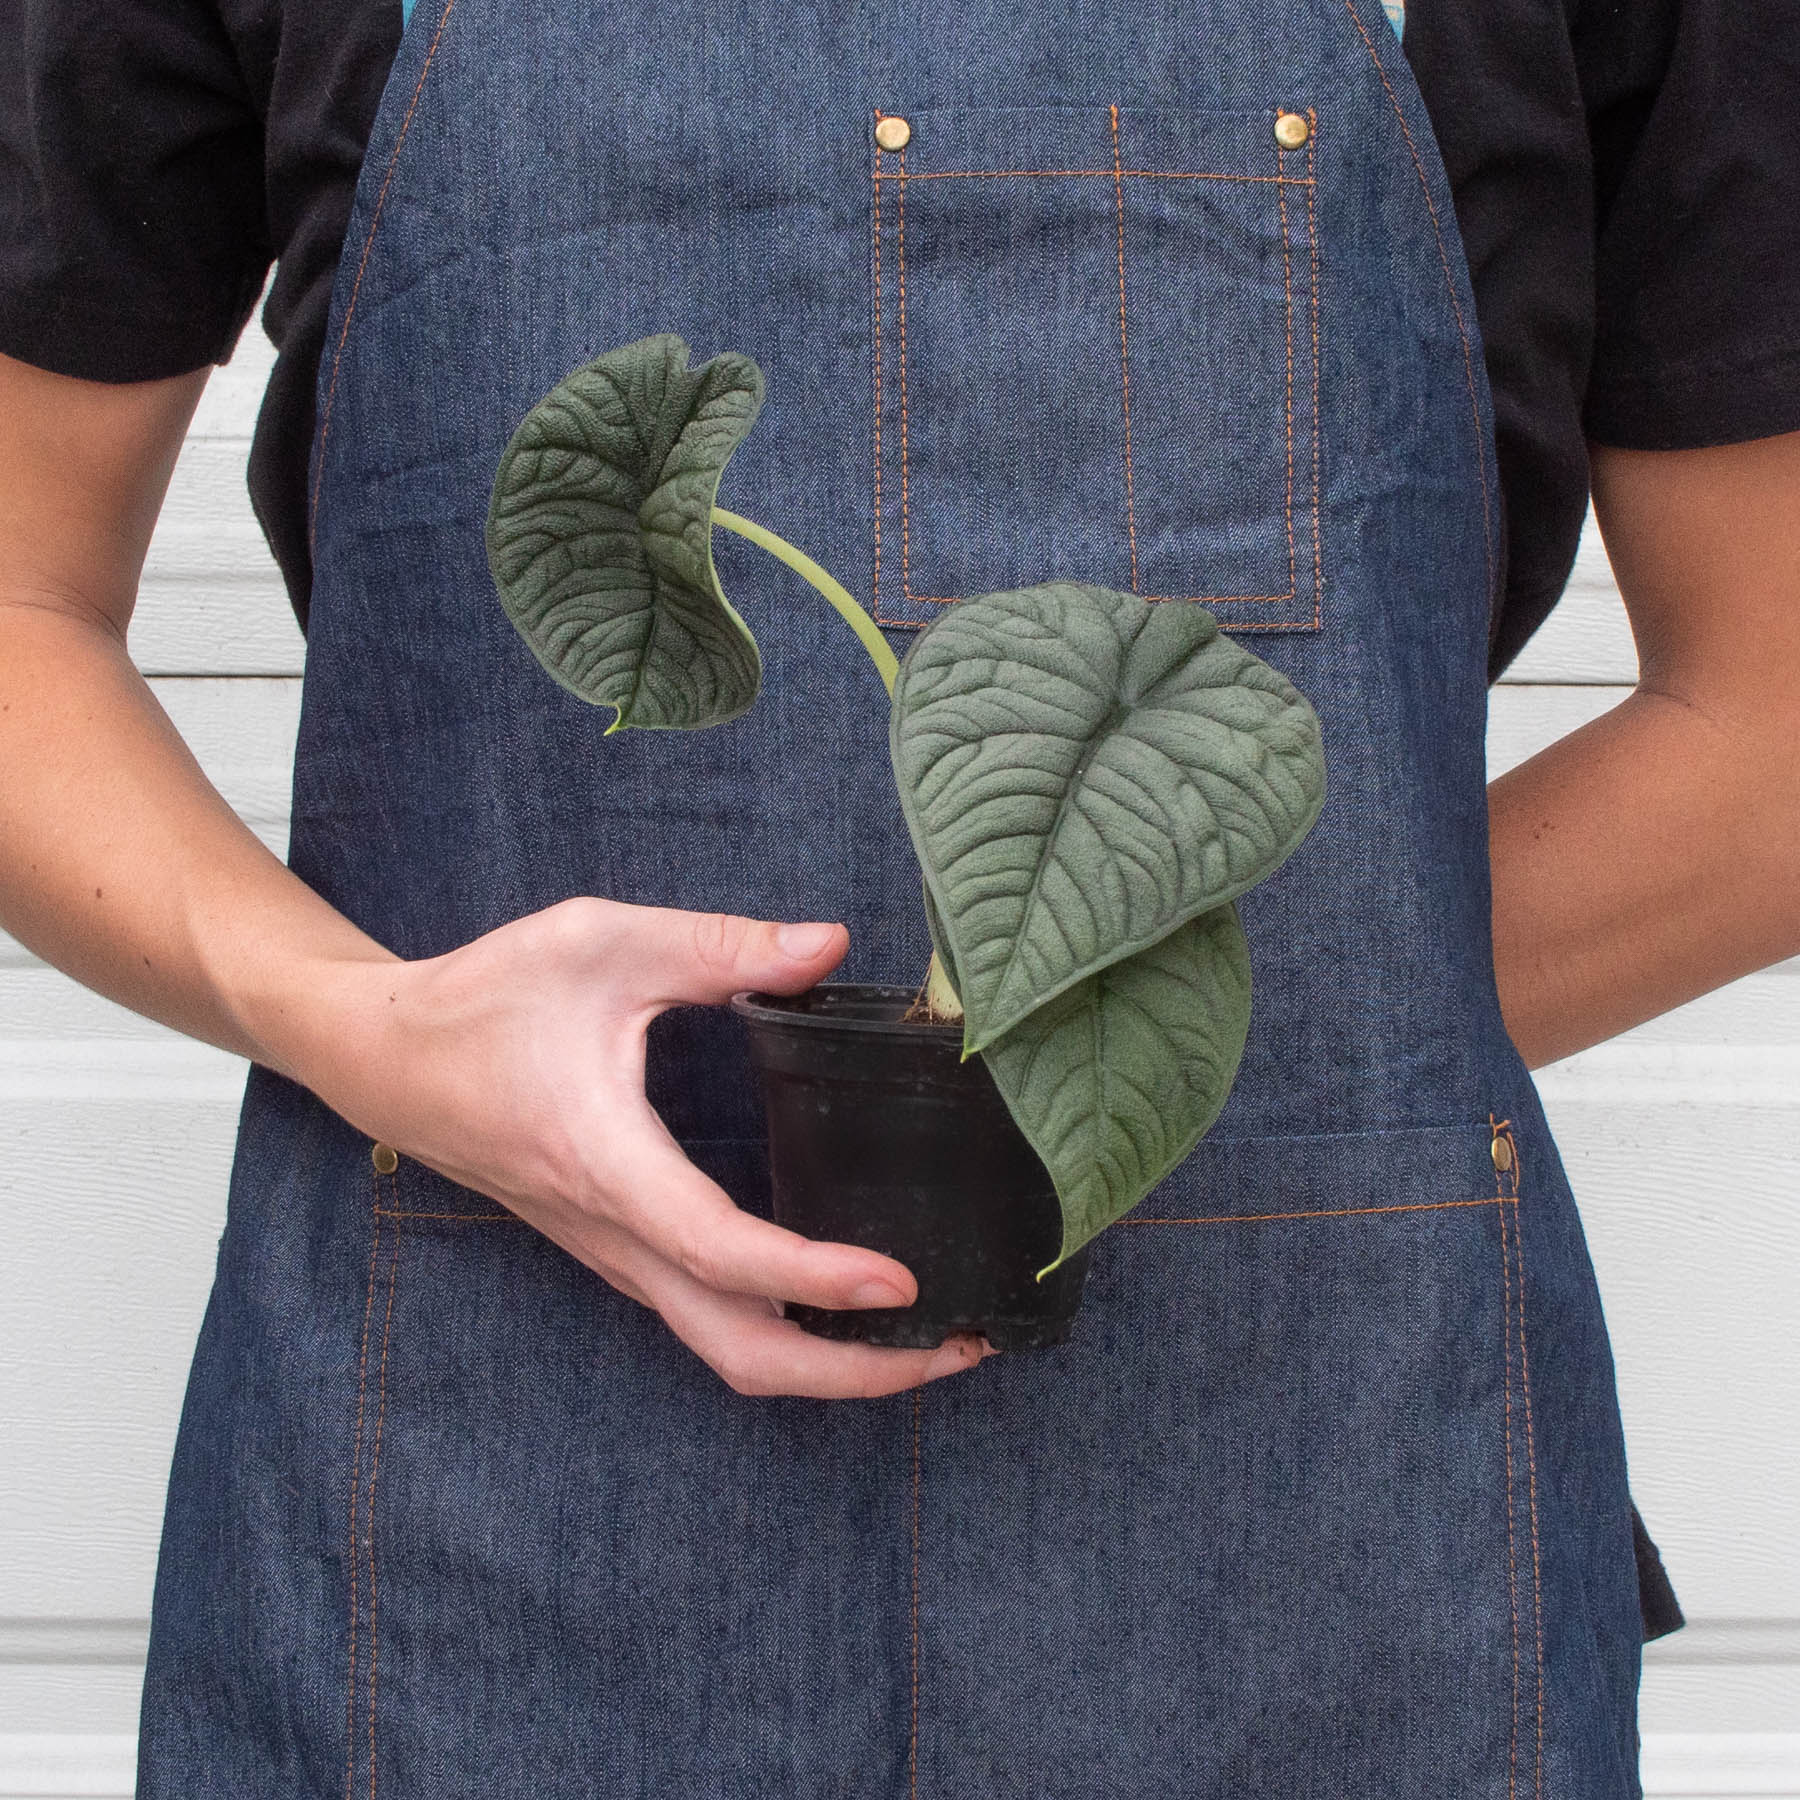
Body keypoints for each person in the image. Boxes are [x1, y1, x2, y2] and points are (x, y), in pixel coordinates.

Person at [0, 0, 1794, 1792]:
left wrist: (1179, 1040)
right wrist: (356, 1022)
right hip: (479, 1492)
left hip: (1316, 1488)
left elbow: (1768, 731)